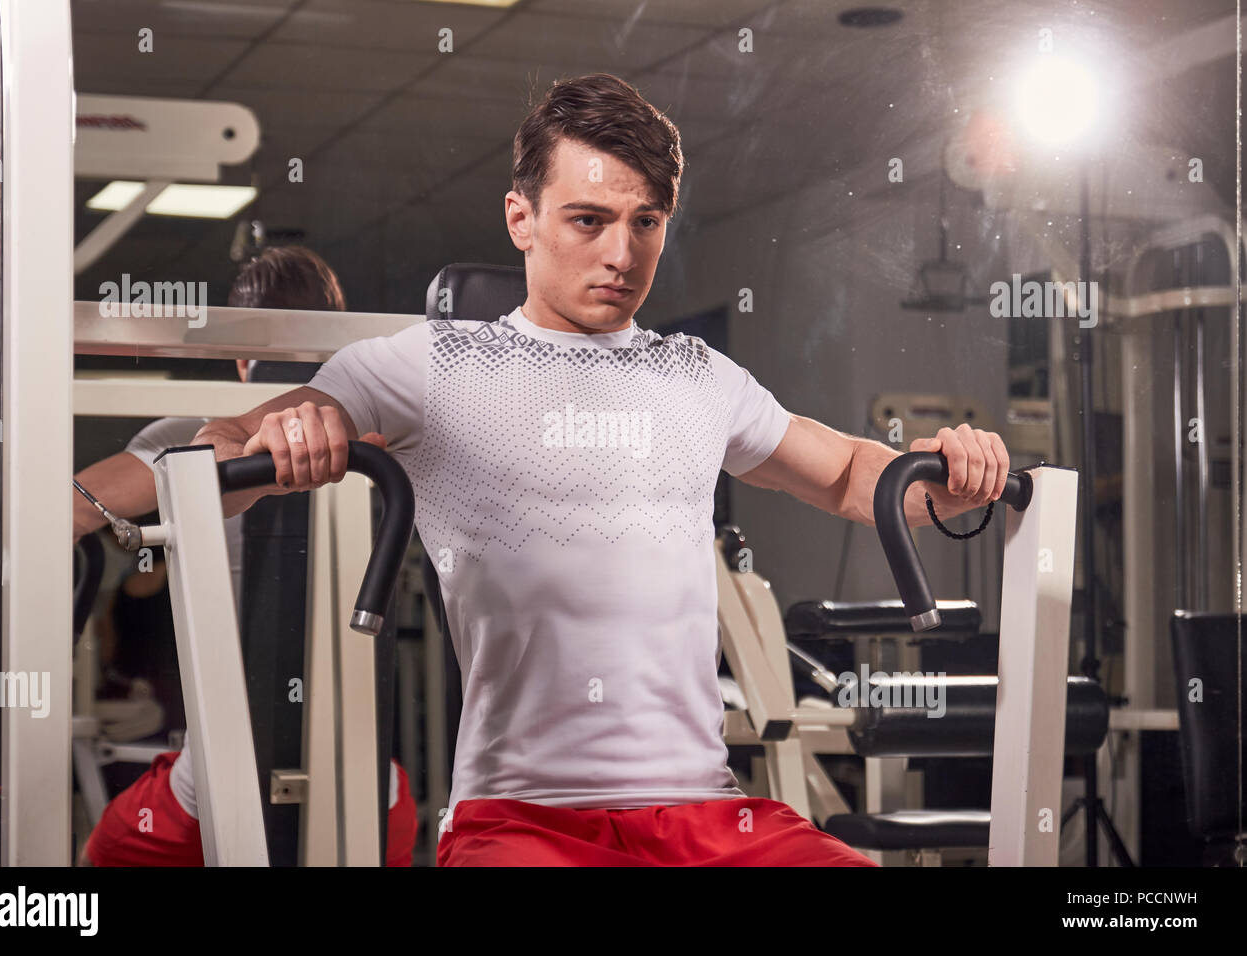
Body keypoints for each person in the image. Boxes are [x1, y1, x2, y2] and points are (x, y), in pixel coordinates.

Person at [90, 74, 1013, 866]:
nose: (622, 255)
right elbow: (238, 438)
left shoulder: (698, 378)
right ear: (520, 219)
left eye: (646, 223)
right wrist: (82, 504)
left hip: (706, 814)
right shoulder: (434, 367)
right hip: (520, 821)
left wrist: (951, 470)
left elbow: (858, 477)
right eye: (591, 219)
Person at [74, 247, 417, 866]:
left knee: (102, 854)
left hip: (212, 791)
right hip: (377, 797)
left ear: (237, 359)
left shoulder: (188, 436)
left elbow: (71, 510)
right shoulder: (387, 436)